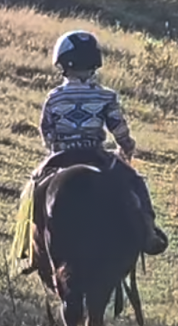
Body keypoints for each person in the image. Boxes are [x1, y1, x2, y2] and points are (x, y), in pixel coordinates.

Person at [15, 30, 168, 266]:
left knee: (32, 189)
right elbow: (118, 128)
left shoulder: (54, 97)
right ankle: (149, 233)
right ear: (95, 64)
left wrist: (54, 149)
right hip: (96, 153)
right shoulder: (106, 96)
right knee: (136, 183)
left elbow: (46, 129)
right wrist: (126, 147)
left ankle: (30, 248)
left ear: (63, 63)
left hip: (61, 153)